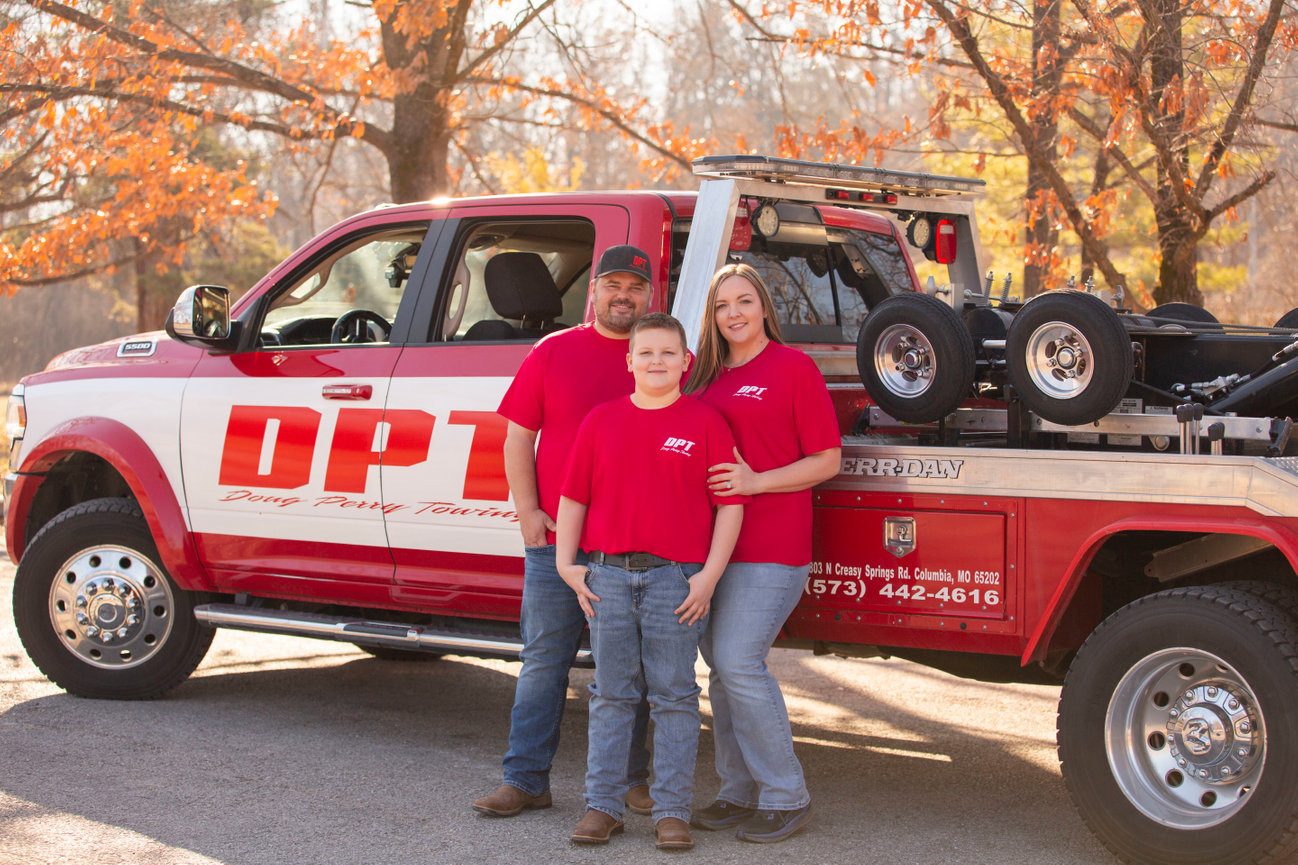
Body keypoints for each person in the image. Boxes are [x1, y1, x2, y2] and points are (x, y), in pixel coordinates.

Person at [473, 245, 657, 819]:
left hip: (632, 543)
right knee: (544, 663)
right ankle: (525, 779)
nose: (622, 296)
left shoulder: (661, 355)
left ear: (649, 296)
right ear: (593, 291)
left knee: (631, 669)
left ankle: (631, 781)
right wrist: (528, 511)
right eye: (612, 285)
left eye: (634, 287)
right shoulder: (553, 351)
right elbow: (517, 438)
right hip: (557, 540)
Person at [556, 312, 747, 851]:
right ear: (630, 361)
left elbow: (730, 506)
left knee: (675, 696)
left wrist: (709, 576)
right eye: (646, 353)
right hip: (607, 578)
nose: (657, 362)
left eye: (668, 353)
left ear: (685, 362)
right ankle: (602, 806)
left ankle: (671, 811)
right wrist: (567, 565)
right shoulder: (601, 420)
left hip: (676, 582)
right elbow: (574, 498)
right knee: (612, 694)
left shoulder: (706, 422)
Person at [684, 263, 842, 844]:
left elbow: (828, 460)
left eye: (744, 301)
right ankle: (736, 791)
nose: (734, 314)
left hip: (771, 547)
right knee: (723, 675)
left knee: (737, 661)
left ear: (764, 307)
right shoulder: (701, 375)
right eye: (722, 305)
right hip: (706, 551)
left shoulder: (792, 369)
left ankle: (785, 794)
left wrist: (755, 483)